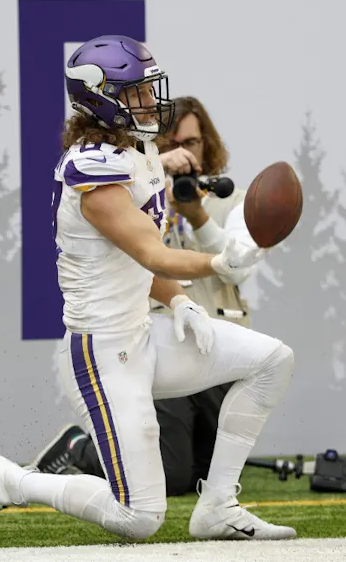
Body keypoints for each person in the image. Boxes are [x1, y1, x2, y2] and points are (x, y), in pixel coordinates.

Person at [0, 34, 296, 543]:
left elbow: (136, 264)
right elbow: (151, 252)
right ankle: (9, 480)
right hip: (104, 351)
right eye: (135, 92)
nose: (150, 102)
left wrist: (178, 300)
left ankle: (218, 506)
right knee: (140, 518)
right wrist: (220, 261)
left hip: (143, 330)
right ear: (100, 97)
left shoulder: (138, 151)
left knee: (272, 361)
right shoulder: (93, 171)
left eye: (148, 89)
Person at [28, 96, 258, 498]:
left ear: (209, 144)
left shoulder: (230, 199)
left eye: (192, 143)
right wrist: (159, 190)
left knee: (207, 472)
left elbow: (240, 264)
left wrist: (197, 215)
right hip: (159, 334)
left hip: (218, 337)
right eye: (172, 145)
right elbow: (152, 257)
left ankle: (211, 502)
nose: (184, 153)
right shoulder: (135, 189)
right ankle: (77, 449)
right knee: (171, 474)